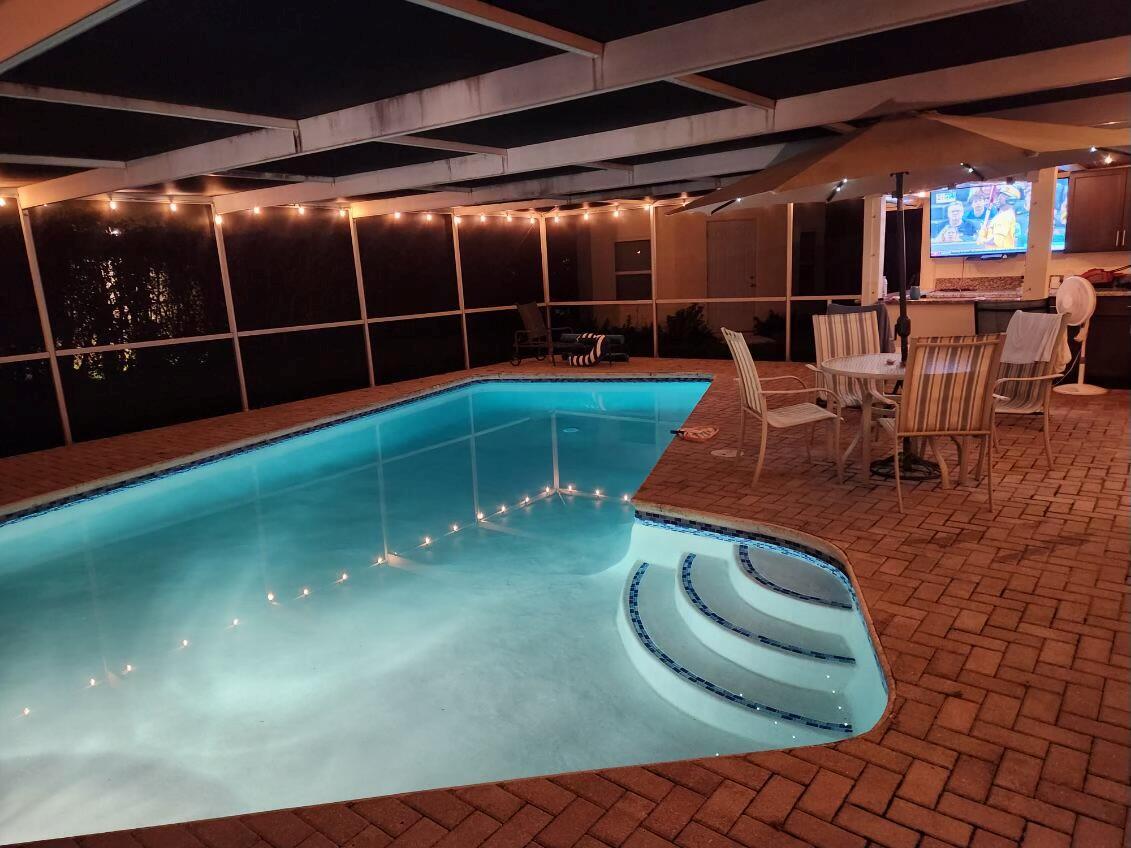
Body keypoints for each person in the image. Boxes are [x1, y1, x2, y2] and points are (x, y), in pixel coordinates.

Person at [977, 184, 1021, 250]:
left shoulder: (1005, 216)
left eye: (1003, 196)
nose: (999, 197)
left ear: (1011, 200)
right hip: (994, 254)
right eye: (1000, 195)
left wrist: (982, 239)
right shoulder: (1001, 215)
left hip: (999, 254)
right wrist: (984, 231)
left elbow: (995, 241)